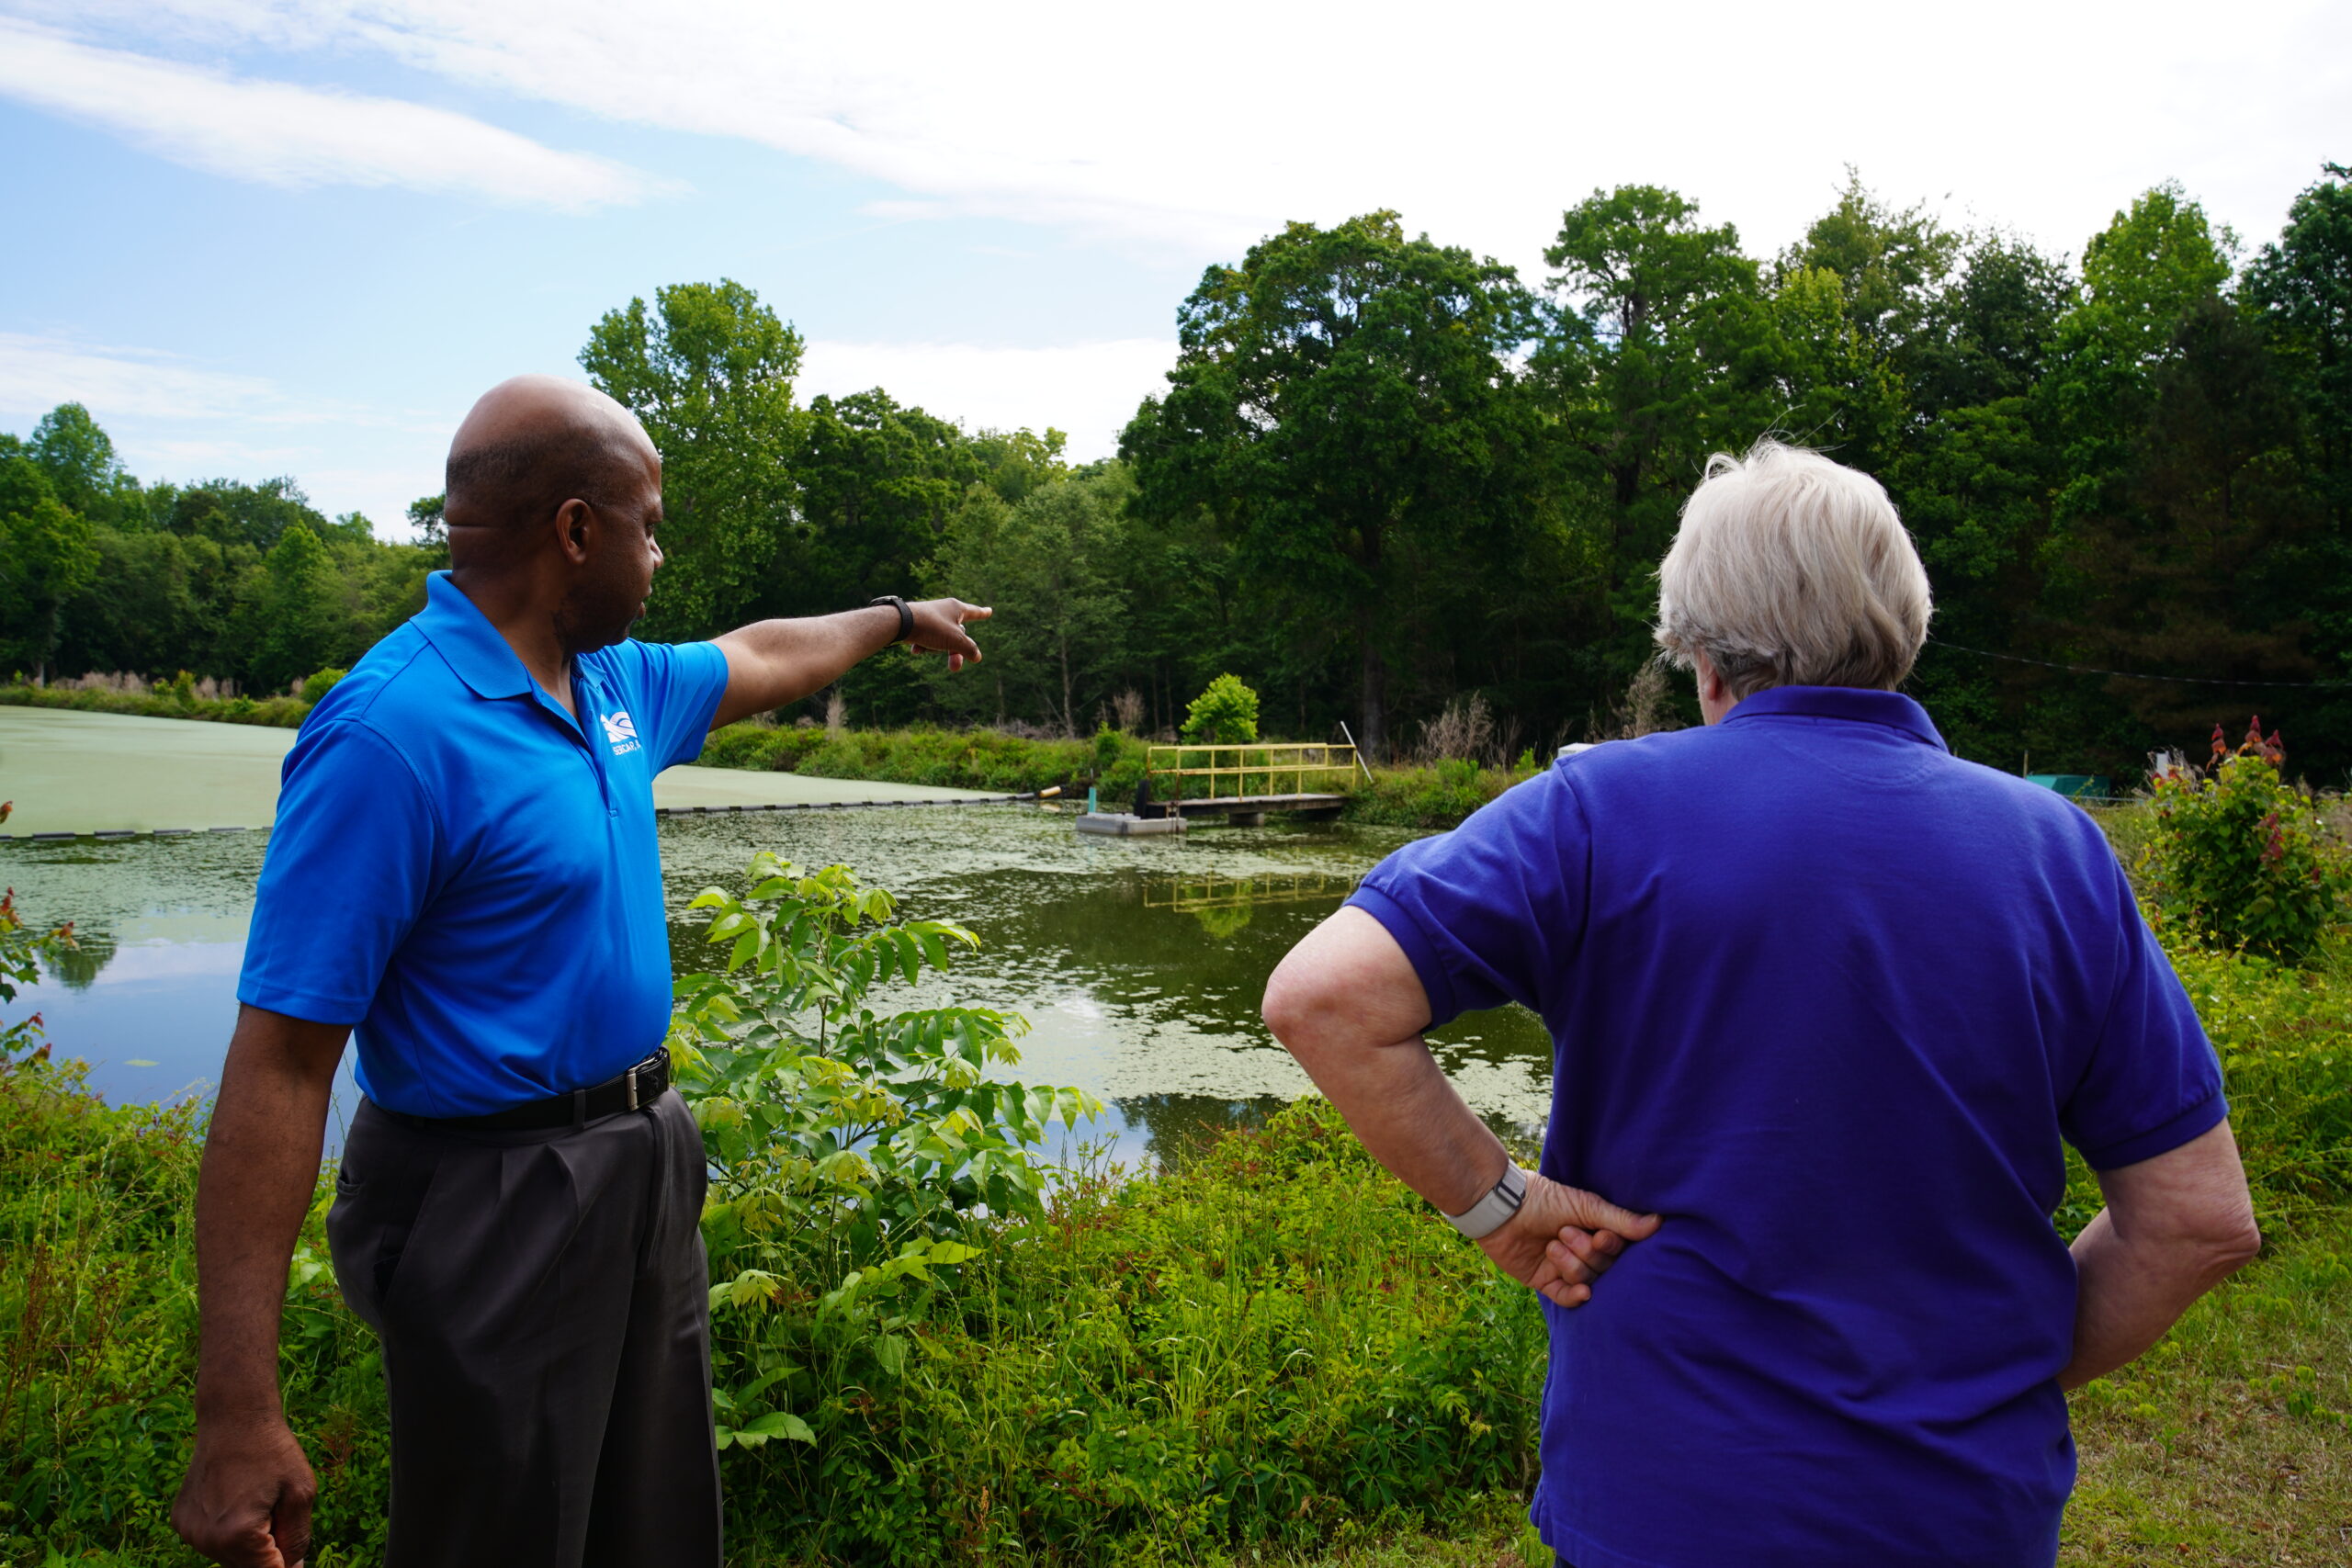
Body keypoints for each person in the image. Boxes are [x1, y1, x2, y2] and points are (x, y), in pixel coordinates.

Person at [1261, 441, 2261, 1568]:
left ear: (1701, 659)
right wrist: (1995, 1373)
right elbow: (2196, 1221)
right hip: (1961, 1516)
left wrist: (1501, 1208)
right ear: (1905, 629)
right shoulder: (2054, 851)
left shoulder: (1595, 811)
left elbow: (1325, 998)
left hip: (1664, 1509)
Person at [170, 375, 993, 1568]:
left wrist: (898, 616)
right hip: (491, 1194)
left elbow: (764, 653)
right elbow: (282, 1065)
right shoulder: (391, 735)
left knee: (655, 1525)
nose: (658, 555)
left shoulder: (607, 683)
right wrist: (237, 1407)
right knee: (500, 1537)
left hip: (642, 1160)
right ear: (573, 530)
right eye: (646, 526)